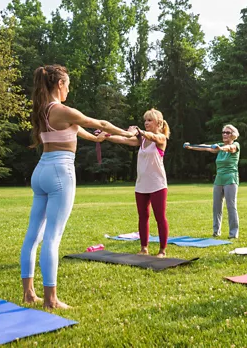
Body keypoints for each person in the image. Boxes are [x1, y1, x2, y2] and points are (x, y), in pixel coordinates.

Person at [20, 65, 134, 309]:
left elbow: (78, 129)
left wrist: (96, 138)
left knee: (33, 235)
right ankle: (50, 299)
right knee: (52, 236)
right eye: (68, 85)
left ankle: (29, 294)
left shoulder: (42, 109)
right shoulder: (62, 109)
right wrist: (126, 133)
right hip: (60, 172)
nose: (69, 90)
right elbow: (99, 121)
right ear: (59, 84)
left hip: (40, 172)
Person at [99, 109, 170, 257]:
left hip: (158, 184)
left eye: (149, 120)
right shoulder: (142, 140)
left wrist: (140, 131)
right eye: (145, 120)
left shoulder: (161, 138)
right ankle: (144, 248)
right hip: (141, 184)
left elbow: (152, 136)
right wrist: (106, 135)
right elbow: (124, 140)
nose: (146, 122)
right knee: (143, 216)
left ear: (158, 122)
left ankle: (162, 250)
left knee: (160, 217)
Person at [185, 125, 241, 239]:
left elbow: (230, 148)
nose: (224, 134)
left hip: (231, 179)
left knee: (231, 206)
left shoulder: (235, 145)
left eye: (228, 132)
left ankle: (233, 233)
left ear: (233, 135)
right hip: (219, 179)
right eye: (223, 132)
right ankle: (216, 231)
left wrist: (220, 148)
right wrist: (191, 146)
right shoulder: (219, 145)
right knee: (216, 207)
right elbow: (206, 147)